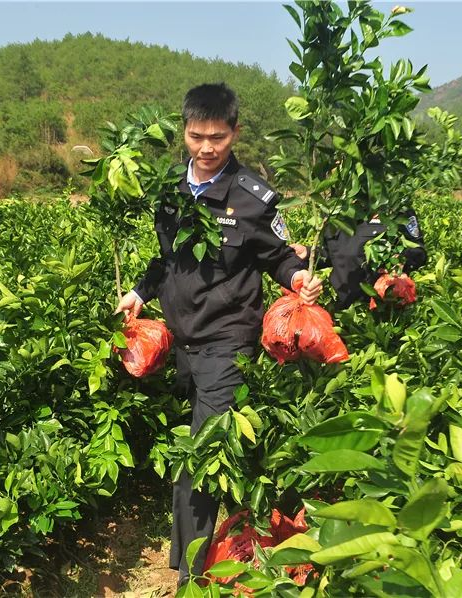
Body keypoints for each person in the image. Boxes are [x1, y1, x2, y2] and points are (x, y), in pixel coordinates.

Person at [113, 83, 323, 585]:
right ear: (183, 132)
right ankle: (242, 540)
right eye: (196, 137)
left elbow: (277, 256)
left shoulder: (251, 197)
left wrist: (298, 276)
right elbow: (166, 258)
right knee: (214, 449)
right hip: (183, 339)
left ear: (235, 133)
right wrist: (140, 292)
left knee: (200, 459)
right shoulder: (169, 189)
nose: (206, 148)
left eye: (218, 138)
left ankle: (191, 579)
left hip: (227, 341)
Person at [291, 210, 427, 311]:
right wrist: (308, 253)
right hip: (344, 308)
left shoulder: (397, 209)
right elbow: (333, 253)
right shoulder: (336, 211)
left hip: (385, 306)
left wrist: (402, 259)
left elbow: (418, 251)